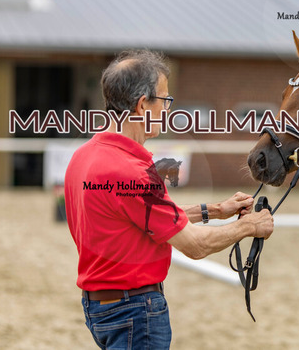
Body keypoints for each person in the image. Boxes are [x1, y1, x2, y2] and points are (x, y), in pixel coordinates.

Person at [64, 49, 273, 349]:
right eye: (164, 100)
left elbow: (145, 215)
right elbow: (195, 245)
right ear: (142, 105)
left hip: (101, 308)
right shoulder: (133, 173)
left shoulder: (83, 157)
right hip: (135, 310)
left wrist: (216, 210)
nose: (167, 109)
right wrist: (250, 226)